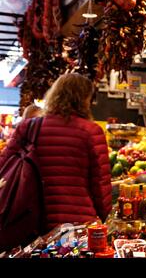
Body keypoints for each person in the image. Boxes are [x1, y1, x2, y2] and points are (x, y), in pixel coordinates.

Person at [0, 73, 112, 232]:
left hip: (30, 219)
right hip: (77, 221)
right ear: (84, 99)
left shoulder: (29, 127)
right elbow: (100, 184)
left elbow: (4, 165)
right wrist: (104, 215)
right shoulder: (91, 131)